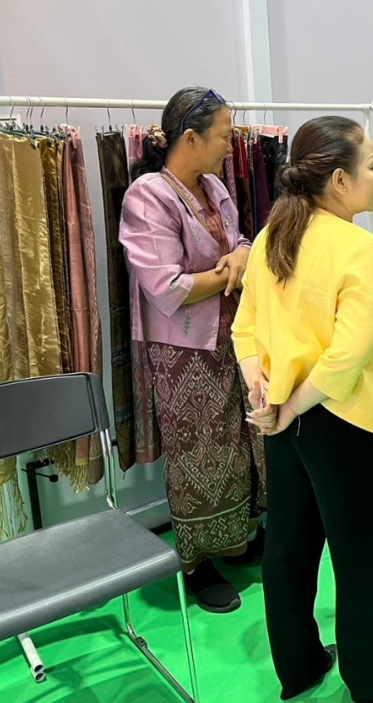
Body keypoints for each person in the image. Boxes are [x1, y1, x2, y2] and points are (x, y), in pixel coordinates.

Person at [233, 116, 373, 703]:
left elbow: (244, 329)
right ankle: (365, 678)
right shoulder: (361, 250)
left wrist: (266, 396)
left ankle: (299, 669)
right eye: (370, 165)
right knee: (359, 561)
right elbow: (343, 362)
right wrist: (283, 406)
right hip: (346, 424)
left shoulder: (272, 236)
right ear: (338, 180)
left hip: (286, 420)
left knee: (289, 550)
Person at [120, 87, 266, 614]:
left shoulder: (214, 187)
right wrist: (230, 272)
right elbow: (166, 286)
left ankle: (237, 539)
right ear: (190, 138)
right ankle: (196, 560)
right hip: (182, 351)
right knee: (196, 454)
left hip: (230, 337)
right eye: (224, 136)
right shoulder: (148, 197)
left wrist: (241, 256)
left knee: (239, 444)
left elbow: (240, 240)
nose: (231, 145)